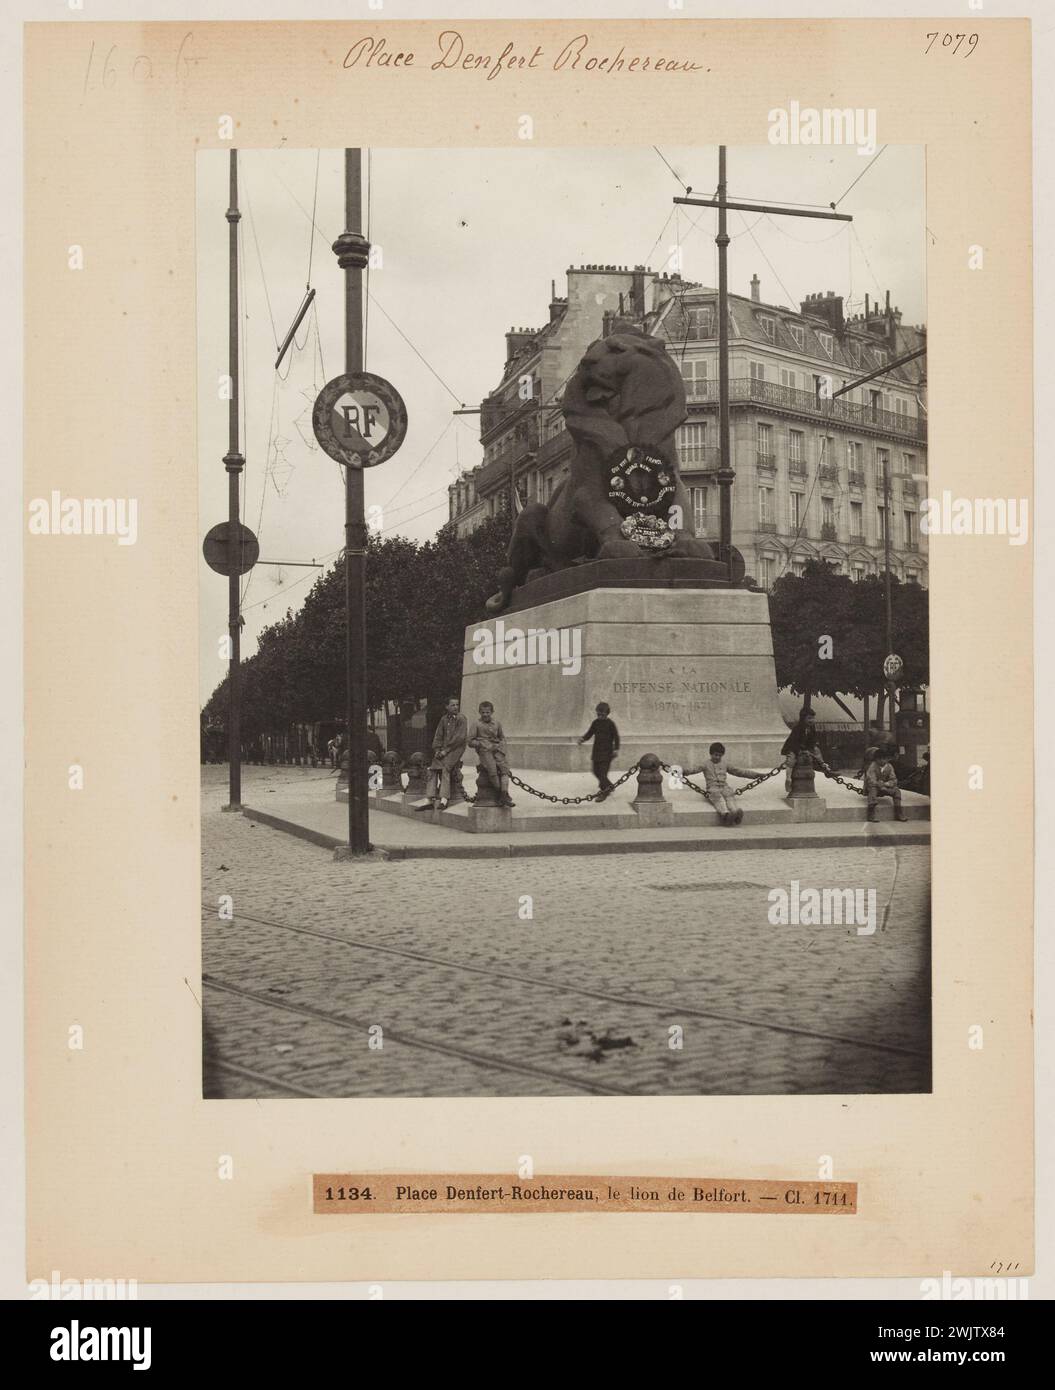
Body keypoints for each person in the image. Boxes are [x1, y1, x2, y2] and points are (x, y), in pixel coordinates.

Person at [685, 742, 767, 826]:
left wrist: (756, 775)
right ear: (711, 754)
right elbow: (694, 769)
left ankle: (735, 812)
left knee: (729, 797)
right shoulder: (705, 764)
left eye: (720, 755)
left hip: (724, 787)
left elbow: (739, 771)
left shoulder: (725, 764)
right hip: (713, 788)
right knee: (718, 799)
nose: (717, 757)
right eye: (715, 755)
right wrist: (684, 772)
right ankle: (725, 815)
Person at [417, 698, 468, 811]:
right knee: (432, 769)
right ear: (447, 707)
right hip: (444, 750)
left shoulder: (461, 719)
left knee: (445, 768)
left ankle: (444, 799)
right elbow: (438, 735)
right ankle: (429, 798)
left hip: (456, 749)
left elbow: (459, 738)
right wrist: (437, 750)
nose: (455, 707)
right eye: (452, 705)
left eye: (457, 705)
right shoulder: (444, 719)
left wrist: (446, 750)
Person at [466, 701, 515, 808]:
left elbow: (502, 737)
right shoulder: (476, 724)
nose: (485, 714)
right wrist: (481, 744)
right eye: (483, 712)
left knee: (504, 771)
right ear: (479, 712)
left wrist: (502, 748)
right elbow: (470, 741)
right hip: (485, 751)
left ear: (492, 712)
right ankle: (500, 794)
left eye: (487, 712)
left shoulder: (497, 723)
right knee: (492, 772)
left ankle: (504, 794)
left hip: (497, 750)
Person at [781, 706, 831, 792]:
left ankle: (825, 767)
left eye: (813, 718)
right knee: (791, 761)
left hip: (806, 748)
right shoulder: (797, 729)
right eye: (809, 718)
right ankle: (788, 779)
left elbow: (812, 740)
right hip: (794, 748)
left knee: (817, 750)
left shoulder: (812, 728)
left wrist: (811, 748)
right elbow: (794, 742)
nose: (811, 720)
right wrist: (801, 750)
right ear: (803, 719)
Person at [578, 702, 621, 800]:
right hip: (597, 752)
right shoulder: (595, 723)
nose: (600, 716)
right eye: (598, 714)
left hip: (607, 753)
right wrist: (583, 739)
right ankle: (609, 786)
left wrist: (616, 749)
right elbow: (589, 733)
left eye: (602, 714)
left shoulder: (610, 724)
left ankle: (604, 792)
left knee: (602, 774)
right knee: (595, 771)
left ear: (607, 713)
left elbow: (616, 737)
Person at [863, 746, 909, 822]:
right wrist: (880, 785)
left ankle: (899, 813)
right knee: (872, 790)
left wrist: (886, 784)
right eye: (880, 759)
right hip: (874, 787)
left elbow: (893, 779)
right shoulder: (872, 766)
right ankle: (871, 814)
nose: (883, 761)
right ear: (876, 759)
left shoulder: (889, 767)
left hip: (885, 786)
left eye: (885, 759)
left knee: (897, 791)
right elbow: (871, 779)